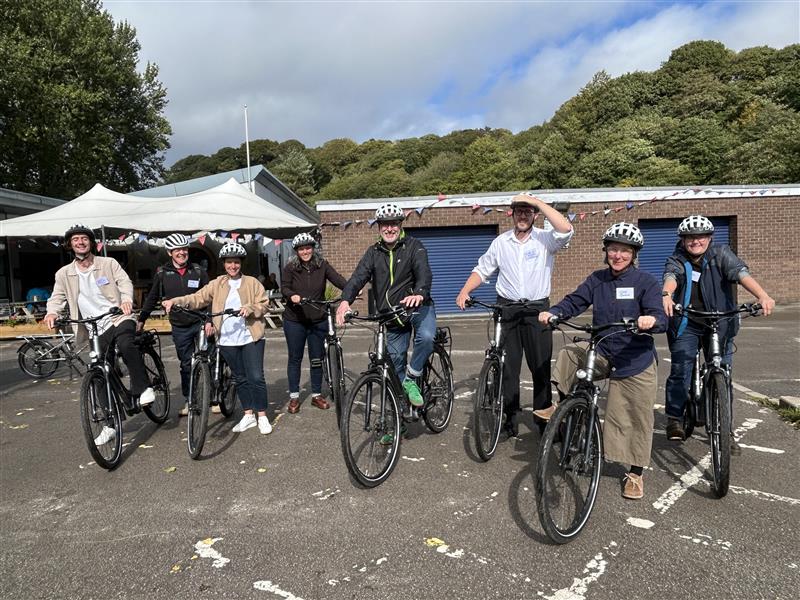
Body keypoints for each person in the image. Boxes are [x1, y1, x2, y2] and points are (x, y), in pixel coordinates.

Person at [536, 223, 666, 499]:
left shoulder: (646, 282)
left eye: (624, 251)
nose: (617, 255)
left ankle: (635, 474)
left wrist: (650, 319)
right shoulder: (598, 279)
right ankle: (565, 406)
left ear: (634, 254)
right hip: (603, 351)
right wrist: (556, 312)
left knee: (632, 417)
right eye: (613, 249)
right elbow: (575, 301)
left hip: (634, 359)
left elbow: (660, 316)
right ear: (606, 251)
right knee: (569, 354)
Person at [455, 193, 573, 437]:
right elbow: (483, 269)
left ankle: (542, 418)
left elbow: (566, 228)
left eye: (527, 211)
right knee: (509, 369)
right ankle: (508, 418)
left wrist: (537, 201)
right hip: (507, 309)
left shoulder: (545, 239)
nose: (522, 215)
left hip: (537, 310)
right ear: (512, 214)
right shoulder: (501, 242)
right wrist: (465, 290)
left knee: (540, 367)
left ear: (534, 215)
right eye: (518, 210)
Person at [662, 215, 775, 444]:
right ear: (683, 240)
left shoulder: (721, 254)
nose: (696, 241)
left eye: (701, 236)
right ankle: (675, 416)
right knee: (681, 367)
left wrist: (762, 295)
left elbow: (741, 274)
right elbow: (671, 277)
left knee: (723, 370)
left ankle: (724, 425)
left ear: (709, 237)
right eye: (690, 237)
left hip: (720, 321)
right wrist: (666, 293)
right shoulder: (677, 258)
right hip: (688, 321)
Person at [44, 224, 155, 445]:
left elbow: (124, 282)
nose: (80, 242)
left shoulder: (108, 263)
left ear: (91, 242)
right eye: (75, 239)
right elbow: (57, 297)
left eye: (84, 238)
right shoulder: (64, 273)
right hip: (93, 326)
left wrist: (125, 300)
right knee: (99, 371)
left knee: (126, 344)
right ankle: (109, 424)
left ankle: (144, 388)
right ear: (70, 244)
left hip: (117, 317)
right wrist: (51, 312)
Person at [163, 242, 273, 435]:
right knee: (239, 378)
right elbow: (197, 298)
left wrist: (251, 309)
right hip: (227, 339)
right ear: (224, 264)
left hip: (250, 336)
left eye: (236, 262)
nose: (233, 266)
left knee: (255, 377)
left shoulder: (252, 283)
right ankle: (248, 414)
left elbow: (264, 304)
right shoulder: (217, 284)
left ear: (241, 263)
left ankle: (262, 415)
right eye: (229, 262)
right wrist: (175, 301)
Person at [335, 202, 435, 408]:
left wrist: (419, 293)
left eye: (394, 224)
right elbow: (357, 278)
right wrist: (345, 301)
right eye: (384, 224)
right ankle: (399, 417)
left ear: (400, 225)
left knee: (426, 338)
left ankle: (412, 378)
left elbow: (424, 273)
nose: (389, 228)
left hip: (417, 307)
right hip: (391, 315)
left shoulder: (414, 246)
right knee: (395, 363)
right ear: (379, 227)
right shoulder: (373, 253)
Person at [138, 233, 209, 416]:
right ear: (170, 252)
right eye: (177, 250)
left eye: (184, 249)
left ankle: (214, 395)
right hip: (180, 326)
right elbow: (153, 296)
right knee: (186, 364)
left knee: (208, 358)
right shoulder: (162, 273)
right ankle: (190, 400)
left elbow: (211, 296)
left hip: (200, 321)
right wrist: (141, 319)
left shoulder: (199, 271)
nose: (181, 253)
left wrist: (210, 320)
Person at [281, 232, 348, 414]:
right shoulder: (290, 268)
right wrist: (292, 295)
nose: (305, 251)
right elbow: (284, 286)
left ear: (313, 248)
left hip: (318, 319)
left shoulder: (322, 265)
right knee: (295, 358)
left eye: (308, 247)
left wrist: (350, 291)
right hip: (295, 319)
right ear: (297, 251)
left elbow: (338, 279)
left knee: (316, 359)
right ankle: (294, 396)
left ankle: (316, 395)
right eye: (301, 249)